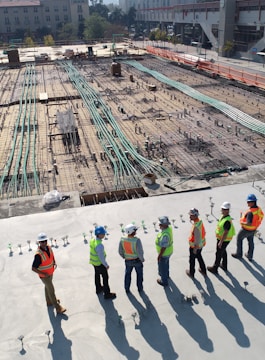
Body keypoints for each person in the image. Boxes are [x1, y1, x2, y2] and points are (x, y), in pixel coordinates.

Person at [32, 232, 66, 314]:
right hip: (44, 276)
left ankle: (49, 301)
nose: (44, 243)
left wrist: (54, 262)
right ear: (39, 242)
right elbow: (33, 268)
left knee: (47, 287)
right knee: (51, 289)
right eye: (42, 242)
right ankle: (57, 307)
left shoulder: (49, 247)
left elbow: (51, 256)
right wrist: (43, 274)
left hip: (50, 272)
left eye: (45, 241)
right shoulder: (38, 254)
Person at [232, 194, 264, 261]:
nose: (247, 203)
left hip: (246, 229)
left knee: (239, 239)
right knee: (251, 242)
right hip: (253, 229)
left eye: (248, 202)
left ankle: (239, 254)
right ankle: (250, 255)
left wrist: (241, 222)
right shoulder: (258, 209)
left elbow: (249, 223)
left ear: (252, 202)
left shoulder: (250, 213)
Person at [207, 202, 235, 274]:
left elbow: (225, 232)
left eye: (223, 209)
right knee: (223, 251)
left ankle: (215, 268)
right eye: (222, 209)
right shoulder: (224, 217)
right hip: (223, 239)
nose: (222, 210)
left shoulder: (227, 221)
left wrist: (220, 242)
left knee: (218, 253)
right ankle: (224, 265)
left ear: (227, 210)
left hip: (224, 240)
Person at [89, 226, 116, 299]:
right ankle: (107, 294)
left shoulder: (92, 240)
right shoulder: (99, 245)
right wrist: (106, 265)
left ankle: (98, 289)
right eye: (103, 234)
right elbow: (101, 257)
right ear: (99, 234)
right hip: (100, 264)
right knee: (105, 278)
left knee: (97, 276)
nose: (104, 235)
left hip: (94, 263)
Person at [118, 223, 145, 293]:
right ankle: (140, 288)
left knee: (127, 274)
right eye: (135, 230)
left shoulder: (122, 239)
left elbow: (120, 251)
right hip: (137, 261)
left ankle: (127, 288)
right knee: (139, 275)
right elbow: (140, 252)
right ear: (133, 232)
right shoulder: (137, 240)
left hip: (127, 260)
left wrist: (124, 256)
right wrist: (142, 259)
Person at [186, 208, 207, 278]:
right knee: (199, 257)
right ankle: (203, 270)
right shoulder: (199, 222)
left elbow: (197, 238)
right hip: (200, 245)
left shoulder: (196, 226)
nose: (189, 217)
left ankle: (191, 273)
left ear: (195, 216)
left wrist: (195, 249)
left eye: (191, 215)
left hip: (195, 247)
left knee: (192, 260)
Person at [155, 216, 173, 286]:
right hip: (169, 252)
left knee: (162, 267)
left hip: (164, 254)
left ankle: (164, 281)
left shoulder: (165, 235)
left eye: (160, 224)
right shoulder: (169, 229)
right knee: (166, 264)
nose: (159, 225)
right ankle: (167, 275)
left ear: (164, 225)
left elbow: (163, 247)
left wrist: (159, 256)